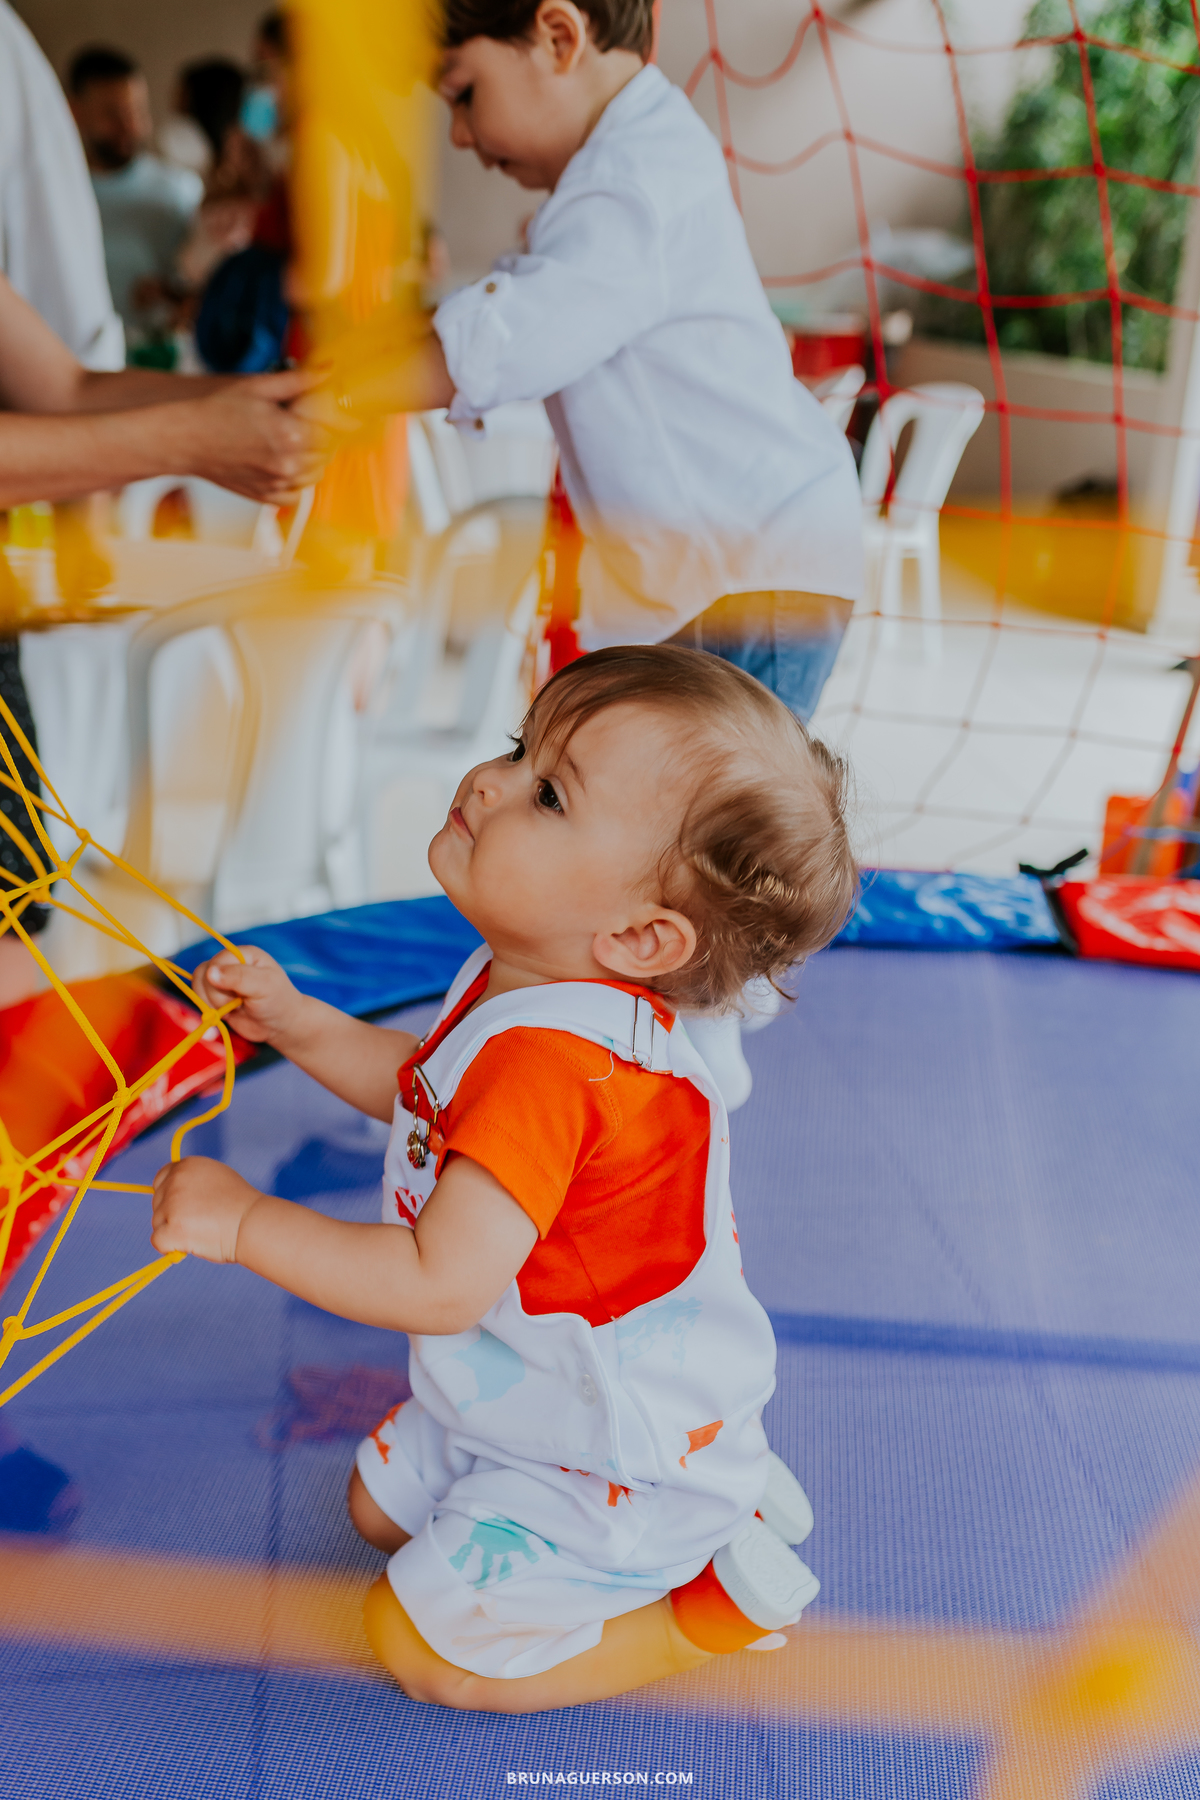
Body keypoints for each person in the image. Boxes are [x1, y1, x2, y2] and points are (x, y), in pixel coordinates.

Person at [151, 643, 857, 1712]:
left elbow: (438, 1282)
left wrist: (246, 1222)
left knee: (420, 1648)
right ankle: (727, 1492)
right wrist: (301, 1025)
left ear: (637, 934)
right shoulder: (523, 978)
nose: (488, 781)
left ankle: (710, 1604)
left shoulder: (556, 1066)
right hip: (524, 1390)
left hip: (603, 1444)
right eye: (520, 749)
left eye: (547, 793)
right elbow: (433, 1095)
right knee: (376, 1515)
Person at [310, 0, 863, 1104]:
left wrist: (341, 396)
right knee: (650, 842)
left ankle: (680, 1089)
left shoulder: (635, 177)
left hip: (748, 571)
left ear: (557, 38)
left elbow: (523, 327)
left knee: (674, 856)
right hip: (726, 570)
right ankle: (658, 1061)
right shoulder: (620, 172)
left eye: (464, 93)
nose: (462, 135)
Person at [67, 45, 204, 342]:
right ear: (74, 111)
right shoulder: (55, 195)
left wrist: (175, 296)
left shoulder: (181, 191)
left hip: (158, 365)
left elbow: (203, 292)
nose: (130, 126)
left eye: (137, 111)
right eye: (113, 115)